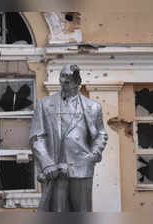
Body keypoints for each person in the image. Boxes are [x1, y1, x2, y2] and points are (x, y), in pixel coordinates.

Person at [29, 64, 108, 212]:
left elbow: (100, 134)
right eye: (62, 78)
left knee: (82, 212)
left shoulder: (93, 107)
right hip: (56, 169)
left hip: (82, 167)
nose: (64, 83)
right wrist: (46, 164)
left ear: (78, 82)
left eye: (69, 80)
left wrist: (94, 153)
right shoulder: (45, 104)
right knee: (57, 212)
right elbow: (36, 137)